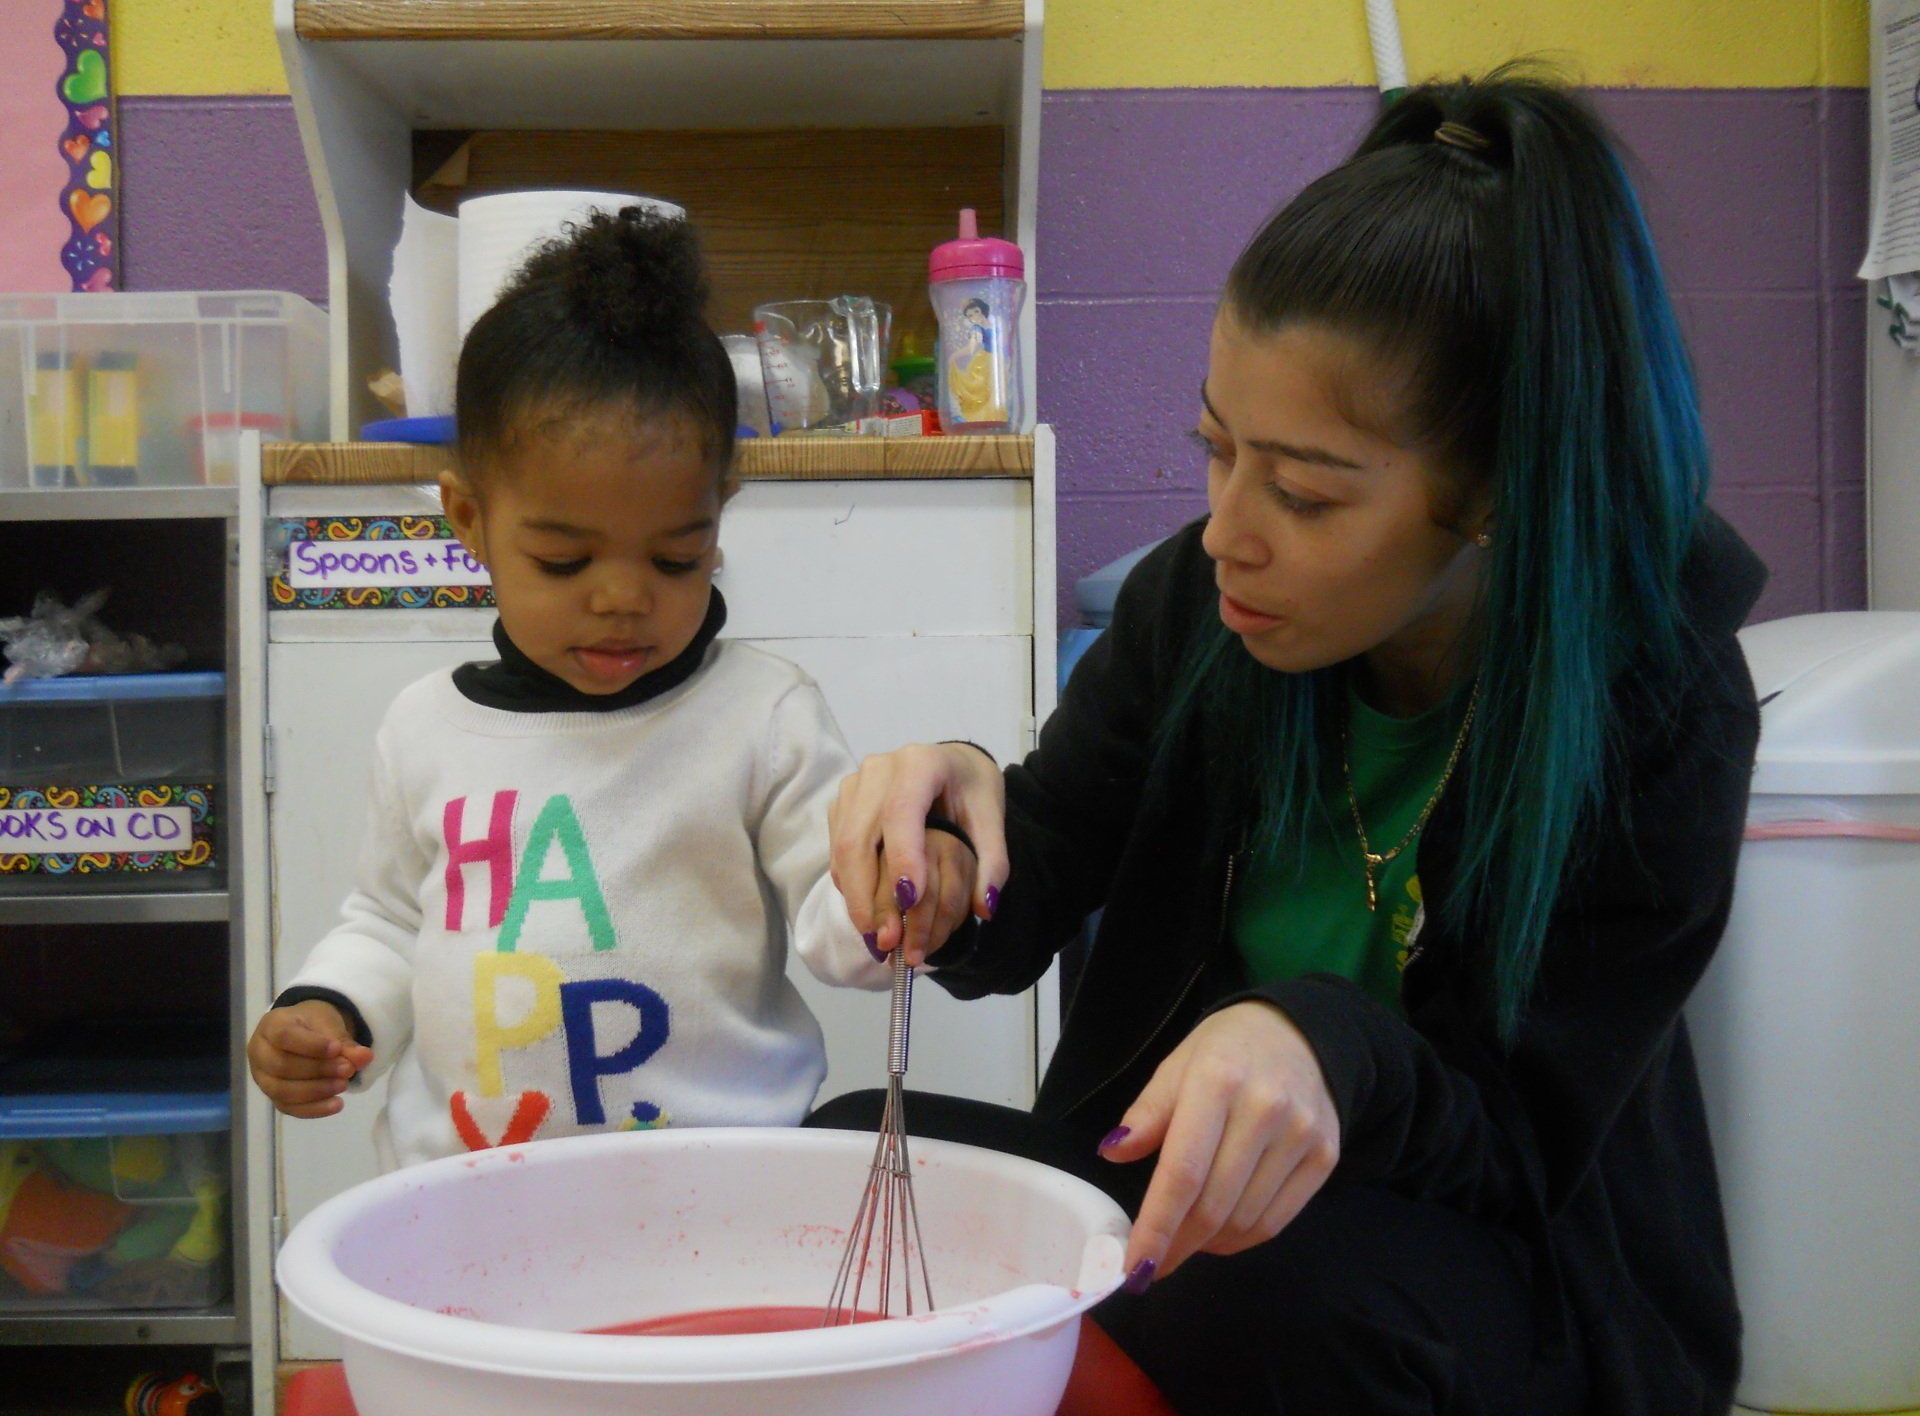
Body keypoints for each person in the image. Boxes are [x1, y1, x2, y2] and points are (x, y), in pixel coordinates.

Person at [822, 70, 1761, 1416]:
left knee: (1269, 1299)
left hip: (1503, 1270)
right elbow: (1046, 864)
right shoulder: (1196, 607)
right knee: (843, 1158)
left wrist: (1318, 1044)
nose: (1227, 532)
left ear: (1496, 493)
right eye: (1218, 449)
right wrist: (957, 856)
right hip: (1194, 1211)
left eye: (1306, 496)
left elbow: (1514, 1139)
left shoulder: (1658, 703)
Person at [245, 209, 920, 1168]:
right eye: (563, 562)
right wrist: (326, 1009)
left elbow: (836, 908)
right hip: (467, 1197)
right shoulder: (426, 728)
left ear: (719, 512)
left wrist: (900, 898)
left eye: (677, 558)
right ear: (469, 518)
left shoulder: (761, 716)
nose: (622, 600)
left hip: (720, 1184)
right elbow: (391, 922)